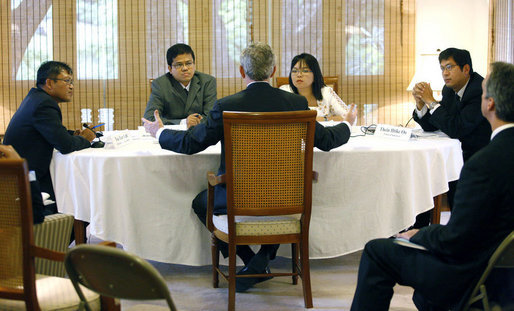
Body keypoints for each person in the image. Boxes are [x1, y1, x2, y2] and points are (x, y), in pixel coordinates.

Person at [143, 42, 357, 293]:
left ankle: (249, 260)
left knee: (202, 202)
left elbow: (191, 143)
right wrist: (349, 125)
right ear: (274, 70)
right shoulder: (296, 104)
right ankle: (261, 259)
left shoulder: (226, 106)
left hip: (237, 198)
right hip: (287, 198)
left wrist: (159, 133)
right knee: (273, 201)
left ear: (242, 72)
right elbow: (328, 141)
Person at [350, 61, 514, 311]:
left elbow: (456, 240)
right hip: (503, 270)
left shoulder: (483, 164)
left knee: (377, 251)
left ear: (489, 103)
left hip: (476, 274)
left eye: (482, 93)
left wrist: (421, 233)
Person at [3, 61, 95, 219]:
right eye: (67, 81)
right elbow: (65, 145)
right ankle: (64, 239)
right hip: (28, 183)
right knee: (82, 198)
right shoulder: (44, 104)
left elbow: (53, 132)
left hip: (23, 176)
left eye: (72, 82)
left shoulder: (36, 98)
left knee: (78, 194)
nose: (71, 86)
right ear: (49, 83)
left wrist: (72, 134)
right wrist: (85, 139)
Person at [411, 48, 491, 228]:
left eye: (449, 67)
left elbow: (457, 128)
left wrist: (431, 102)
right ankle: (418, 230)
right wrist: (421, 105)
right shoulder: (450, 91)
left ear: (466, 69)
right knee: (422, 173)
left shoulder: (479, 90)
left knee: (464, 217)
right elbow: (436, 124)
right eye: (442, 68)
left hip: (475, 159)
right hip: (456, 157)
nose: (445, 73)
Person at [143, 43, 217, 128]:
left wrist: (195, 121)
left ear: (194, 64)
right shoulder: (160, 84)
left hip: (199, 133)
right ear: (170, 69)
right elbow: (150, 119)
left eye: (189, 63)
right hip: (171, 135)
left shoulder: (207, 82)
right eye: (179, 65)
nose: (185, 68)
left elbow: (212, 117)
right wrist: (183, 122)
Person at [279, 53, 349, 121]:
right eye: (294, 71)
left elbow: (348, 117)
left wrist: (324, 119)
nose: (299, 75)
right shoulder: (284, 91)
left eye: (305, 71)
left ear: (315, 74)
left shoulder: (326, 92)